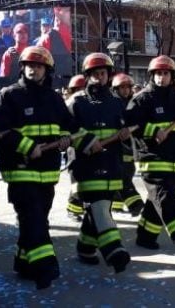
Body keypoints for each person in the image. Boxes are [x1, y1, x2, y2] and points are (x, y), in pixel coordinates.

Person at [0, 46, 99, 290]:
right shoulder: (9, 95)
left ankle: (23, 262)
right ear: (22, 68)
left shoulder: (53, 99)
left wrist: (81, 140)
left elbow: (69, 126)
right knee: (33, 218)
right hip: (20, 170)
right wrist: (27, 146)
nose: (33, 69)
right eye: (29, 65)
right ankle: (45, 266)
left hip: (47, 172)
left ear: (46, 70)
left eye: (38, 66)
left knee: (36, 219)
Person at [123, 55, 175, 256]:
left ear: (172, 76)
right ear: (152, 75)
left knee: (155, 202)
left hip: (174, 162)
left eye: (165, 73)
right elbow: (131, 124)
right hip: (152, 160)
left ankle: (145, 237)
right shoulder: (142, 99)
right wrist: (152, 130)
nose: (161, 77)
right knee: (166, 200)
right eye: (158, 73)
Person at [65, 53, 132, 273]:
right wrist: (86, 140)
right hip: (87, 165)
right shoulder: (76, 102)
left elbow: (126, 128)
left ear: (108, 75)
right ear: (87, 76)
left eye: (103, 73)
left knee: (99, 209)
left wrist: (124, 134)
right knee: (101, 208)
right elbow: (66, 129)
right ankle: (114, 251)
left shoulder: (116, 102)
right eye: (95, 74)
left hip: (112, 164)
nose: (99, 77)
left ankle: (85, 248)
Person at [110, 72, 145, 217]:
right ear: (115, 89)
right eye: (121, 88)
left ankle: (117, 205)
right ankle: (135, 204)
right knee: (122, 177)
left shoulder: (135, 103)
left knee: (127, 175)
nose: (125, 90)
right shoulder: (112, 104)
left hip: (131, 146)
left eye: (127, 87)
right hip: (116, 147)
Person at [64, 74, 88, 222]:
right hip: (74, 149)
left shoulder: (92, 104)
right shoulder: (68, 105)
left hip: (89, 147)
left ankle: (84, 206)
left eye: (82, 88)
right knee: (77, 182)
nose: (80, 91)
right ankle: (73, 208)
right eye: (77, 89)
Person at [35, 6, 74, 89]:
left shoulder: (68, 35)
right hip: (52, 83)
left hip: (64, 82)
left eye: (47, 25)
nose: (69, 13)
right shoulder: (47, 38)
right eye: (67, 10)